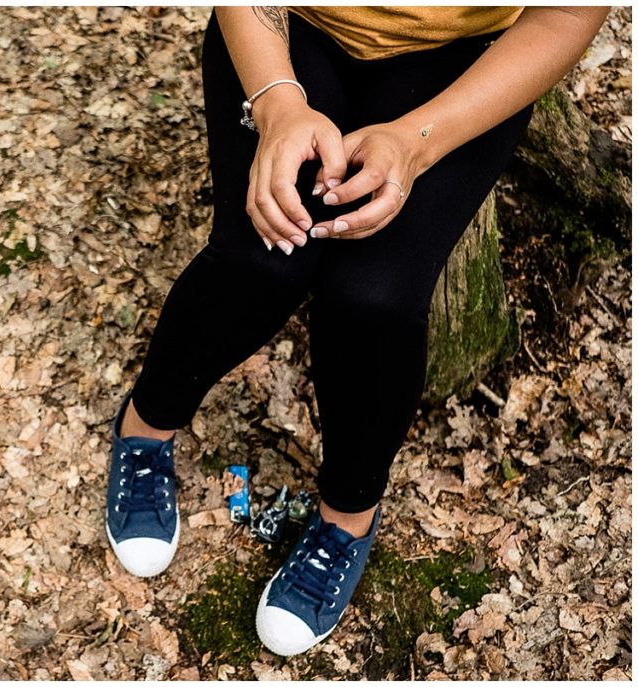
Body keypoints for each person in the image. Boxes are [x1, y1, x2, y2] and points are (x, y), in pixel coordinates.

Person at [105, 6, 610, 656]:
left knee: (374, 296)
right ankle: (145, 427)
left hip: (466, 63)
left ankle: (347, 518)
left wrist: (418, 141)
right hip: (290, 28)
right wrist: (278, 103)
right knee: (263, 257)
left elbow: (565, 14)